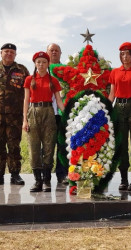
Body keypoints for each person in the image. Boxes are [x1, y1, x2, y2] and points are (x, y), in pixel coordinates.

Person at [22, 51, 64, 192]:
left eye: (44, 62)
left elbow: (58, 100)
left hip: (48, 113)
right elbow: (26, 100)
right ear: (35, 63)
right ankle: (37, 181)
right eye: (38, 62)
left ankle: (47, 181)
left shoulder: (53, 81)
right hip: (33, 112)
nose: (41, 64)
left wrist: (67, 113)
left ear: (48, 64)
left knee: (49, 147)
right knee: (34, 148)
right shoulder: (29, 79)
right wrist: (25, 120)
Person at [108, 42, 131, 191]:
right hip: (119, 107)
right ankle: (124, 179)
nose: (125, 57)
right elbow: (112, 94)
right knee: (121, 145)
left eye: (128, 53)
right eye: (122, 54)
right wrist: (104, 110)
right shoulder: (115, 72)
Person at [0, 43, 29, 185]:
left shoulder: (22, 70)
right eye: (6, 51)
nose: (9, 54)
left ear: (15, 54)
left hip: (15, 116)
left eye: (12, 52)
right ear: (1, 53)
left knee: (14, 146)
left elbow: (30, 91)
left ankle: (15, 174)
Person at [46, 43, 68, 184]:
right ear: (46, 52)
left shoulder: (66, 70)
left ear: (61, 53)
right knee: (46, 145)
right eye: (51, 50)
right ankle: (44, 175)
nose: (54, 53)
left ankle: (61, 174)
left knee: (62, 145)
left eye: (56, 51)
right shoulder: (40, 69)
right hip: (46, 112)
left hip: (62, 112)